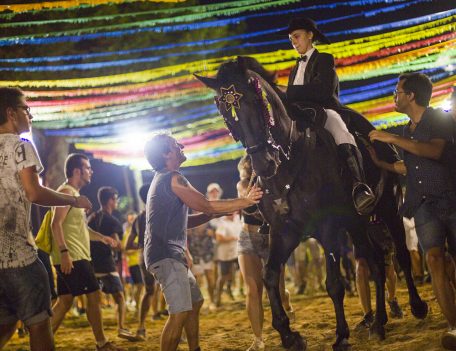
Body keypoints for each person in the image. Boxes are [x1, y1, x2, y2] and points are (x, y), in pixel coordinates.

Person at [143, 134, 263, 351]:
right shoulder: (173, 177)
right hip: (166, 255)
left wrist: (213, 214)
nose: (181, 145)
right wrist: (245, 201)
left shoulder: (163, 178)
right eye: (174, 144)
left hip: (170, 254)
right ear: (166, 154)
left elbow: (186, 220)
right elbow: (206, 205)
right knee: (178, 312)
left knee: (195, 302)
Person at [0, 87, 92, 351]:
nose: (30, 114)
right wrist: (73, 200)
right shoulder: (21, 146)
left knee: (6, 322)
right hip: (18, 255)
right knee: (39, 324)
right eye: (25, 109)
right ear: (11, 113)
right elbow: (34, 191)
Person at [369, 72, 456, 349]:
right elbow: (404, 167)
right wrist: (379, 163)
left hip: (450, 199)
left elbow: (432, 151)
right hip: (422, 206)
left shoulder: (439, 120)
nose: (394, 96)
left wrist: (391, 139)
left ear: (411, 96)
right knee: (433, 259)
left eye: (397, 92)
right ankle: (453, 327)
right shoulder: (406, 130)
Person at [281, 17, 376, 215]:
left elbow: (322, 90)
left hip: (324, 110)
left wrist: (288, 92)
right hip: (300, 116)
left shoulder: (324, 59)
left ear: (310, 35)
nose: (294, 42)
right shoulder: (294, 69)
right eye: (291, 39)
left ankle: (359, 186)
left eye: (296, 37)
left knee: (339, 129)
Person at [49, 153, 123, 351]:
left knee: (64, 302)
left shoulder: (74, 195)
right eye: (88, 168)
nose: (91, 171)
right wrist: (64, 252)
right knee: (94, 296)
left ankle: (42, 343)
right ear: (76, 171)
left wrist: (103, 238)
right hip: (73, 256)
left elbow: (82, 229)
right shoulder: (66, 192)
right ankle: (102, 343)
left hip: (75, 255)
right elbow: (55, 224)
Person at [88, 186, 137, 341]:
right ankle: (122, 327)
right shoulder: (112, 221)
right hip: (107, 264)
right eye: (115, 199)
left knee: (94, 301)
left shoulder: (92, 217)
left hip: (92, 263)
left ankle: (99, 335)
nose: (116, 201)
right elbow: (117, 244)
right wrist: (130, 246)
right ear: (110, 200)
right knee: (120, 297)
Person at [125, 184, 160, 340]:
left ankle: (141, 328)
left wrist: (141, 244)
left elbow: (127, 245)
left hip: (144, 257)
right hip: (160, 255)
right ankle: (178, 330)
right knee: (170, 290)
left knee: (149, 291)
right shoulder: (158, 213)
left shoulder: (138, 218)